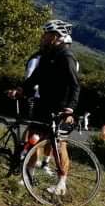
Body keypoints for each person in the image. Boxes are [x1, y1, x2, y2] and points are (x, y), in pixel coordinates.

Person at [8, 19, 80, 195]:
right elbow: (35, 78)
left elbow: (75, 85)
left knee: (59, 145)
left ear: (55, 37)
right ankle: (29, 176)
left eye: (46, 34)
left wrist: (70, 108)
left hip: (60, 108)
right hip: (44, 104)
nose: (43, 37)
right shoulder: (47, 55)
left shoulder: (66, 57)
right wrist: (20, 90)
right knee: (33, 138)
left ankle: (61, 184)